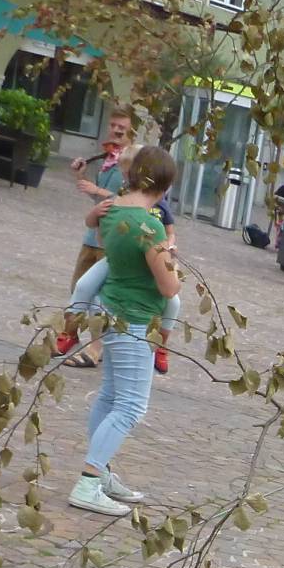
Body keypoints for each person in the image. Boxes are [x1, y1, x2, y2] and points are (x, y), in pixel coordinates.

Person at [67, 147, 183, 517]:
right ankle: (88, 481)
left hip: (111, 308)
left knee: (110, 395)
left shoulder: (113, 209)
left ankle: (100, 474)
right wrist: (170, 259)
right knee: (131, 405)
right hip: (134, 318)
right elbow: (169, 288)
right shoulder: (148, 226)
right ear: (163, 185)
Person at [65, 149, 184, 377]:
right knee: (130, 404)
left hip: (122, 286)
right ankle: (71, 328)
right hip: (134, 313)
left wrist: (166, 246)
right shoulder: (126, 210)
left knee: (173, 304)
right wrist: (172, 265)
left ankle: (161, 344)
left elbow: (167, 232)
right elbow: (169, 287)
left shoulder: (136, 209)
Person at [59, 108, 134, 367]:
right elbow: (100, 199)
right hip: (92, 236)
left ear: (132, 131)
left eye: (122, 127)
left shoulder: (132, 163)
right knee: (78, 287)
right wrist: (82, 178)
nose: (116, 130)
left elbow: (130, 201)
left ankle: (95, 348)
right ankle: (70, 334)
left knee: (100, 295)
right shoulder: (107, 159)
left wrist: (97, 189)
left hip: (112, 239)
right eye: (113, 125)